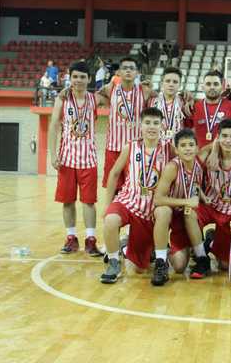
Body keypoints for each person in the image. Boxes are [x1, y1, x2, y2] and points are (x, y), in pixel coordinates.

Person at [100, 107, 173, 284]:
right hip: (129, 201)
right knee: (110, 219)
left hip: (152, 207)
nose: (151, 127)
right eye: (147, 122)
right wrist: (107, 204)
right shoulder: (130, 147)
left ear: (162, 126)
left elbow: (189, 161)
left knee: (140, 268)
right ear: (140, 125)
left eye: (156, 123)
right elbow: (114, 173)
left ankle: (145, 254)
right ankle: (114, 261)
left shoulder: (169, 149)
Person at [48, 61, 101, 257]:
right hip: (67, 159)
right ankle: (71, 238)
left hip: (89, 160)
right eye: (75, 76)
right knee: (67, 202)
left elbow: (115, 89)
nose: (78, 80)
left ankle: (90, 239)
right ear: (69, 78)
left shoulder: (96, 99)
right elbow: (53, 126)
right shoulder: (62, 100)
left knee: (89, 202)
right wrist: (53, 154)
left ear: (89, 79)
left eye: (82, 77)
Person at [94, 56, 155, 189]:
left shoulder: (144, 90)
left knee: (136, 187)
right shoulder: (110, 89)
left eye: (132, 68)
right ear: (119, 72)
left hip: (136, 149)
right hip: (113, 148)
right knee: (113, 187)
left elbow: (164, 98)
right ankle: (110, 210)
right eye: (125, 68)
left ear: (137, 72)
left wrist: (186, 95)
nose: (128, 71)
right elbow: (92, 97)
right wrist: (69, 91)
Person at [152, 129, 204, 285]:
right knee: (162, 211)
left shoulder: (199, 164)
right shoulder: (172, 167)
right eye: (183, 145)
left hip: (185, 217)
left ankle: (202, 245)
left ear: (197, 147)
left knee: (180, 267)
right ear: (176, 149)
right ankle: (160, 261)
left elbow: (192, 184)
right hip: (170, 213)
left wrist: (202, 196)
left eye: (190, 145)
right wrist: (186, 202)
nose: (187, 148)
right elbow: (158, 199)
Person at [197, 119, 231, 271]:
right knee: (190, 214)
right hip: (210, 206)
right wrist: (214, 149)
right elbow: (190, 175)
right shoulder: (208, 156)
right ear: (217, 138)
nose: (228, 140)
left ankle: (211, 241)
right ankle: (200, 255)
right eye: (224, 136)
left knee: (225, 267)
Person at [189, 70, 231, 147]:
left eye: (216, 84)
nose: (212, 87)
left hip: (224, 155)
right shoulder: (194, 107)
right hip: (200, 155)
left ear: (222, 86)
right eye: (208, 84)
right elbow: (188, 132)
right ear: (202, 87)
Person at [148, 66, 186, 143]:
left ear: (180, 85)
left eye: (175, 82)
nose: (171, 84)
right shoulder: (151, 102)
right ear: (162, 83)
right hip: (156, 146)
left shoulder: (184, 102)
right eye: (168, 81)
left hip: (177, 147)